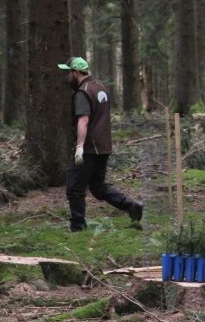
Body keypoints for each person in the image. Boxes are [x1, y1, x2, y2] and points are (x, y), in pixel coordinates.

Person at [59, 56, 143, 232]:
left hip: (89, 147)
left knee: (74, 188)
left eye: (68, 73)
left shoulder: (82, 92)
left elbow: (83, 120)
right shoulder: (100, 87)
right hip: (104, 146)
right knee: (97, 187)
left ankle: (77, 226)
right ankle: (131, 205)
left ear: (75, 72)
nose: (66, 78)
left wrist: (79, 147)